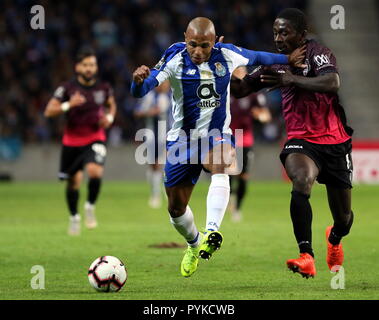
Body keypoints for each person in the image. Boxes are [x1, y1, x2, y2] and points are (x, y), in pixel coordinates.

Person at [131, 17, 305, 278]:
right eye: (193, 45)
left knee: (222, 163)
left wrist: (288, 58)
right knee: (176, 210)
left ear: (214, 41)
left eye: (204, 45)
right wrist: (137, 80)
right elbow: (142, 90)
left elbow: (258, 56)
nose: (198, 51)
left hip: (216, 135)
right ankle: (195, 244)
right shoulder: (174, 56)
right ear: (184, 38)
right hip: (181, 140)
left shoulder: (227, 55)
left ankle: (212, 229)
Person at [231, 8, 354, 278]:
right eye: (275, 32)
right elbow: (240, 90)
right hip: (301, 140)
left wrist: (292, 79)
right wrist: (224, 64)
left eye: (284, 32)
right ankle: (306, 255)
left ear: (301, 33)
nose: (278, 38)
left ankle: (334, 239)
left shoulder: (318, 53)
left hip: (334, 141)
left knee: (344, 219)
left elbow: (333, 82)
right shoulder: (275, 63)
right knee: (301, 180)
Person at [44, 48, 117, 236]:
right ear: (77, 67)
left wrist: (109, 118)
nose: (89, 68)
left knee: (95, 172)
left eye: (92, 65)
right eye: (85, 65)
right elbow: (49, 111)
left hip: (95, 137)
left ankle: (90, 207)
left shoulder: (104, 87)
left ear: (96, 67)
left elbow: (111, 104)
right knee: (73, 183)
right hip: (72, 141)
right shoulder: (67, 88)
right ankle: (74, 216)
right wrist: (69, 104)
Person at [229, 67, 272, 222]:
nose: (241, 74)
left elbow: (266, 115)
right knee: (228, 174)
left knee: (243, 176)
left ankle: (237, 208)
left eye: (243, 71)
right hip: (228, 138)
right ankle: (228, 201)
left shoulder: (254, 93)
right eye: (237, 71)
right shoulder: (226, 90)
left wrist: (260, 116)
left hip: (245, 139)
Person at [134, 80, 171, 209]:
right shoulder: (149, 96)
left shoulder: (171, 96)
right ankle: (155, 193)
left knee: (163, 163)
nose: (165, 86)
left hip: (167, 134)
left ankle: (162, 194)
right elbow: (137, 112)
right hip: (150, 134)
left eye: (167, 83)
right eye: (163, 83)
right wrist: (148, 112)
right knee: (153, 165)